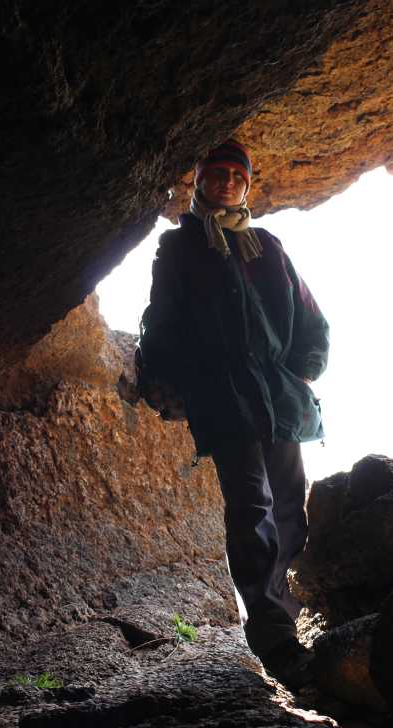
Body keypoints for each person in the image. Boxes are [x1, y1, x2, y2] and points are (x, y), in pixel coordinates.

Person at [138, 140, 329, 689]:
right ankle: (273, 635)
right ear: (199, 182)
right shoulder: (179, 247)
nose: (226, 182)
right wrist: (165, 381)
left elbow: (311, 319)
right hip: (223, 397)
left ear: (247, 185)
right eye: (216, 173)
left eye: (236, 175)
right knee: (250, 508)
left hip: (279, 398)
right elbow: (162, 319)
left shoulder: (266, 246)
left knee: (290, 507)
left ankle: (293, 616)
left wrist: (302, 373)